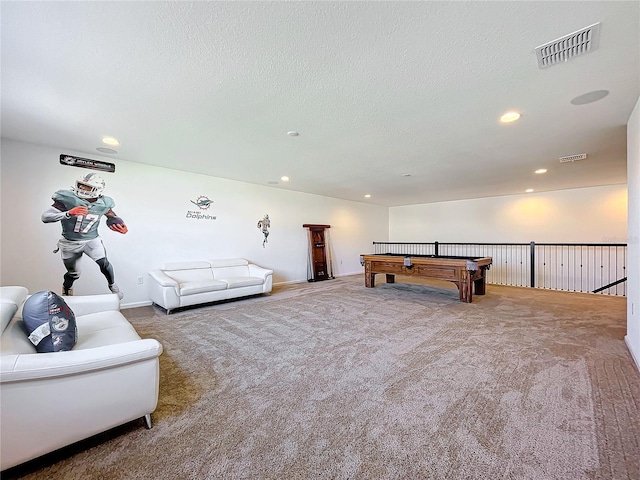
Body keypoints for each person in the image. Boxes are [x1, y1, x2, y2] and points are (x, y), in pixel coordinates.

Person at [42, 173, 128, 298]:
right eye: (81, 185)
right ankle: (67, 288)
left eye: (87, 187)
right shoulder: (67, 198)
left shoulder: (104, 202)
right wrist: (68, 213)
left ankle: (112, 286)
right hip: (70, 242)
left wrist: (117, 222)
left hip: (92, 240)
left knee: (104, 263)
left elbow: (110, 215)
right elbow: (45, 217)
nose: (82, 189)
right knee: (74, 274)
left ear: (97, 190)